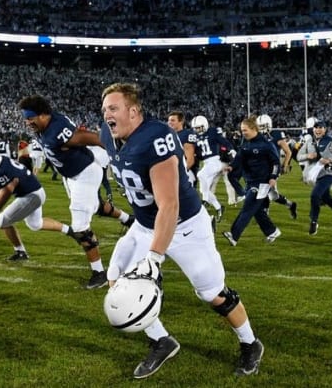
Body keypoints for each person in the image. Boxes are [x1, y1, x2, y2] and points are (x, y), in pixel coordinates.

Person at [100, 83, 264, 379]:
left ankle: (250, 343)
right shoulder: (108, 136)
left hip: (185, 226)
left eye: (113, 108)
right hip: (145, 224)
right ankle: (162, 341)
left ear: (133, 111)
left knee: (213, 293)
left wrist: (154, 257)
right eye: (104, 110)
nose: (106, 114)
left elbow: (169, 205)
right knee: (118, 280)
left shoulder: (156, 137)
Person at [19, 94, 108, 289]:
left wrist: (115, 149)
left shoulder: (57, 130)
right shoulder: (47, 125)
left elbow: (91, 137)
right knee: (94, 208)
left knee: (80, 227)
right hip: (71, 176)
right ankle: (127, 218)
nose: (27, 122)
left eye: (30, 118)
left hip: (85, 173)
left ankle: (99, 273)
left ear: (43, 115)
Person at [0, 146, 73, 261]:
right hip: (36, 191)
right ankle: (71, 231)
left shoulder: (2, 173)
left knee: (2, 221)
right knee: (35, 224)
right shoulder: (2, 160)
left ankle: (20, 251)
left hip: (32, 196)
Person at [222, 116, 282, 246]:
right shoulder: (246, 145)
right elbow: (238, 158)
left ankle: (234, 235)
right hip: (250, 181)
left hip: (262, 182)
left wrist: (273, 177)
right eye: (242, 130)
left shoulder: (266, 145)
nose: (243, 133)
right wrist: (231, 166)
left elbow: (276, 163)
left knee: (248, 207)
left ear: (254, 129)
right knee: (256, 210)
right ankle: (272, 231)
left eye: (245, 130)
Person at [296, 120, 332, 235]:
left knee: (315, 195)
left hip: (328, 173)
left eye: (321, 127)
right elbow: (298, 156)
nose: (318, 129)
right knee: (326, 198)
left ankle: (314, 222)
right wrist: (308, 155)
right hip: (315, 175)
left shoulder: (331, 142)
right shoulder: (309, 141)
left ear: (325, 129)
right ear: (313, 129)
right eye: (316, 127)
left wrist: (329, 160)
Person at [191, 115, 236, 223]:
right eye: (196, 128)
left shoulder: (212, 131)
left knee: (200, 175)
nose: (198, 130)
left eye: (199, 128)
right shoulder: (195, 137)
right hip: (207, 163)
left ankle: (205, 201)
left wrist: (231, 149)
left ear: (205, 125)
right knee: (203, 190)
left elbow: (223, 141)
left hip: (215, 161)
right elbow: (198, 152)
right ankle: (219, 207)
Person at [257, 114, 298, 219]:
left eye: (263, 126)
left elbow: (288, 152)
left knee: (264, 190)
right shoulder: (258, 136)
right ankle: (291, 205)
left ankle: (265, 215)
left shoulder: (276, 134)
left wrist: (285, 164)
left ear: (269, 125)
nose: (261, 129)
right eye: (259, 126)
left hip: (273, 168)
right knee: (273, 196)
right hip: (262, 168)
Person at [166, 111, 196, 186]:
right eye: (169, 120)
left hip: (184, 172)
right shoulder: (168, 135)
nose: (169, 122)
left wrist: (180, 172)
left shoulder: (186, 134)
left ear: (181, 122)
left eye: (173, 120)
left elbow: (190, 160)